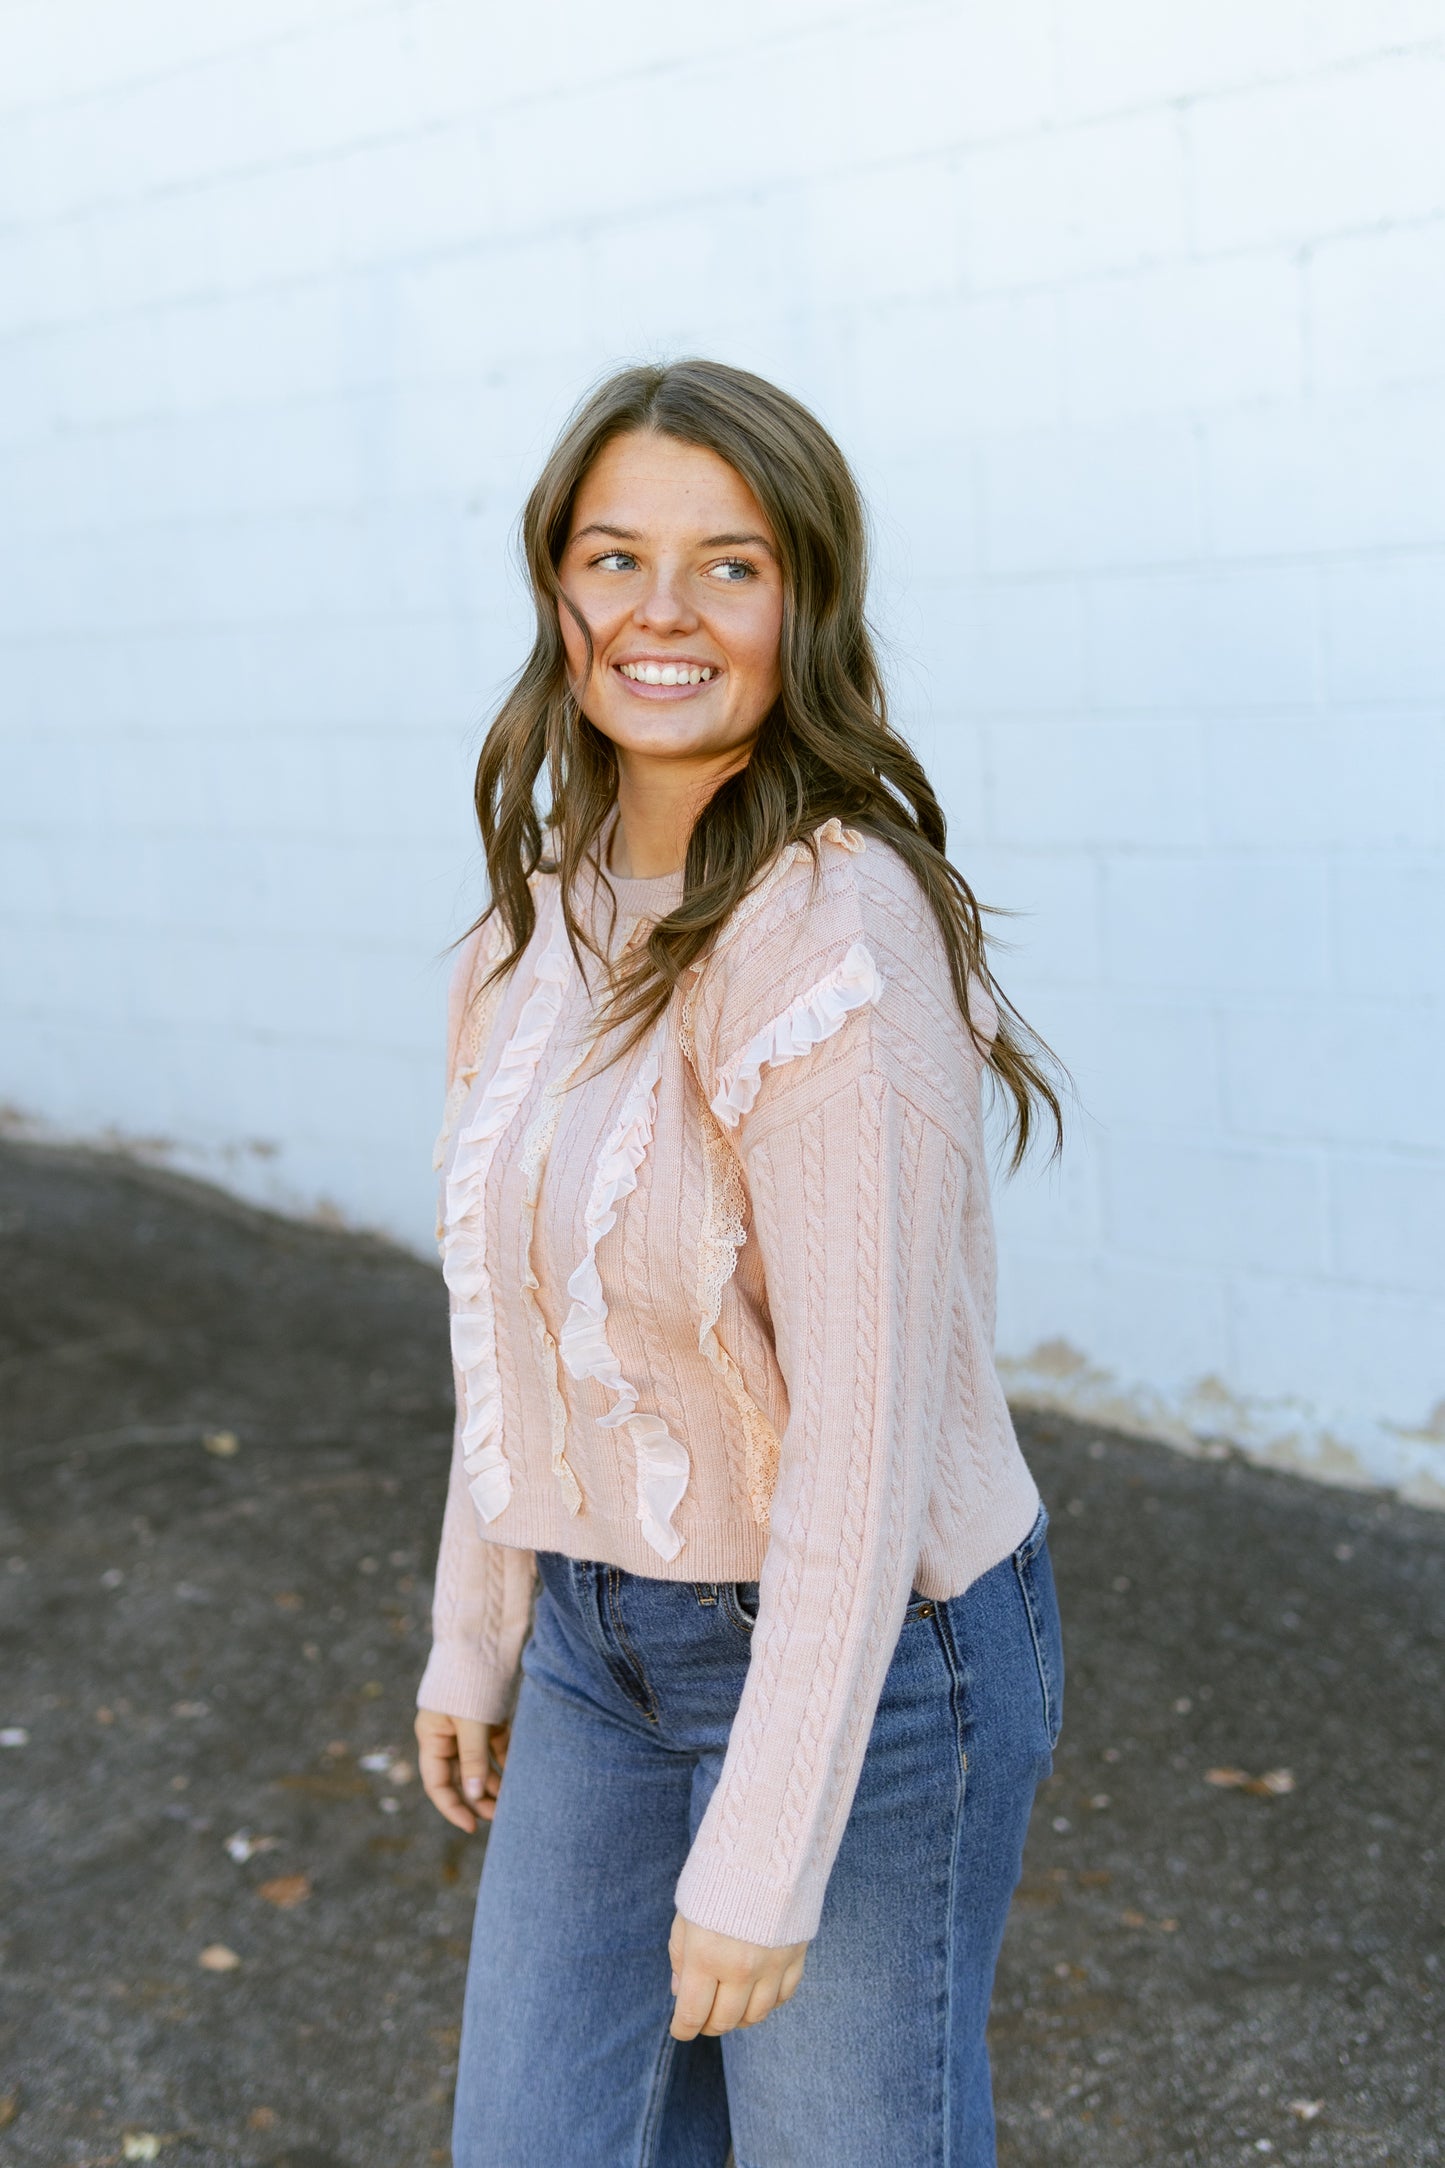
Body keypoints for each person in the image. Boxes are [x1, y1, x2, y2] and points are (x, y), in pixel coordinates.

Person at [414, 358, 1066, 2168]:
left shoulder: (830, 929)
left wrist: (769, 1848)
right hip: (596, 1649)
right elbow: (513, 1320)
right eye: (615, 558)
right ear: (556, 588)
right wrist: (478, 1626)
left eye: (730, 565)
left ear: (806, 600)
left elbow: (855, 1446)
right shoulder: (524, 930)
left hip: (874, 1656)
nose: (661, 615)